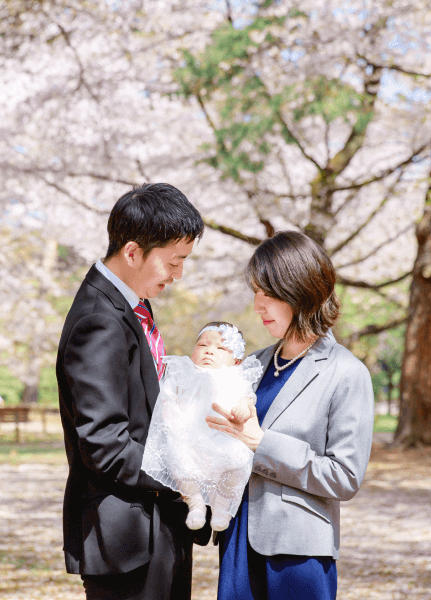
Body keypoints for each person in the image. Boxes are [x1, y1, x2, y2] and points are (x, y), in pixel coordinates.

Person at [57, 183, 206, 600]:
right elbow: (104, 442)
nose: (178, 275)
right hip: (127, 537)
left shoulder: (131, 303)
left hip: (153, 523)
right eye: (174, 262)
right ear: (133, 252)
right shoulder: (99, 321)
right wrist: (183, 472)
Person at [207, 230, 375, 600]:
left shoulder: (347, 373)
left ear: (299, 290)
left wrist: (261, 443)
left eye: (267, 293)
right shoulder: (252, 364)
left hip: (298, 556)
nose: (257, 306)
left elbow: (345, 477)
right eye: (256, 292)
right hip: (236, 543)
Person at [141, 322, 264, 533]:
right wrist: (171, 410)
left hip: (223, 439)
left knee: (237, 461)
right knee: (178, 459)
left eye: (220, 348)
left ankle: (222, 508)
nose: (209, 351)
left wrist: (243, 409)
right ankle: (195, 503)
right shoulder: (183, 371)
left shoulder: (235, 377)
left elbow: (247, 399)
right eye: (203, 345)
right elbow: (169, 395)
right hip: (188, 436)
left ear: (236, 360)